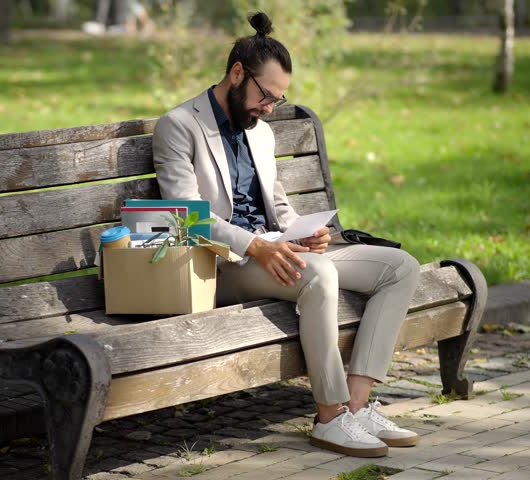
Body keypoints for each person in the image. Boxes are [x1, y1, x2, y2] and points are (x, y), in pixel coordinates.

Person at [152, 12, 420, 458]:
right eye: (266, 96)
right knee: (317, 275)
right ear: (237, 73)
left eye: (278, 99)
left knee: (400, 268)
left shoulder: (259, 131)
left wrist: (305, 231)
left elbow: (276, 204)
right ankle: (330, 417)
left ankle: (355, 408)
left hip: (277, 251)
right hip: (222, 263)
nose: (269, 108)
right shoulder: (179, 125)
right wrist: (257, 244)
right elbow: (187, 217)